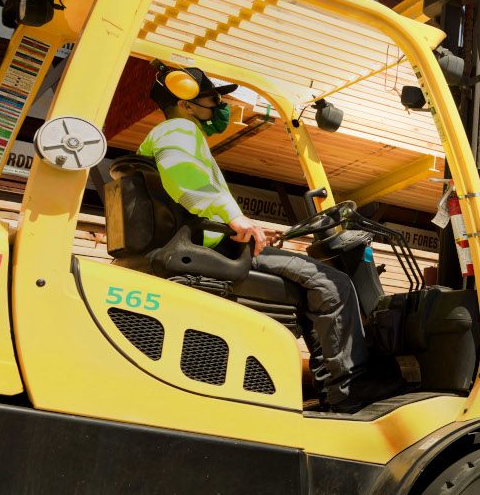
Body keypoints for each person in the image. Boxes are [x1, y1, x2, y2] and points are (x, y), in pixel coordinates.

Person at [138, 65, 384, 413]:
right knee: (334, 283)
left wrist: (238, 221)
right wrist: (234, 217)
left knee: (309, 284)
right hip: (215, 247)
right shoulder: (178, 130)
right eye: (212, 98)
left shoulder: (165, 134)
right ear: (186, 103)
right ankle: (350, 387)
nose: (219, 105)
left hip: (205, 242)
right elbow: (184, 176)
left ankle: (330, 388)